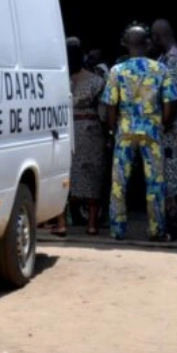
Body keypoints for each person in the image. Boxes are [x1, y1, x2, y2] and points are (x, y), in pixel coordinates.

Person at [103, 25, 177, 242]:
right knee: (155, 181)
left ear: (126, 44)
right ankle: (156, 229)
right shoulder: (160, 69)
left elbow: (111, 104)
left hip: (125, 130)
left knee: (119, 181)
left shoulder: (117, 71)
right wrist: (162, 123)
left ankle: (117, 229)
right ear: (147, 43)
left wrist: (111, 130)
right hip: (152, 129)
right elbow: (170, 101)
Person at [52, 38, 108, 236]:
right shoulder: (96, 81)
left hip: (63, 130)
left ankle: (61, 224)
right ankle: (91, 224)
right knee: (92, 174)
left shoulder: (57, 79)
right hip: (89, 132)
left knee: (62, 173)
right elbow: (103, 113)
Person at [151, 19, 177, 237]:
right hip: (168, 127)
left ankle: (176, 225)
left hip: (173, 128)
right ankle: (170, 221)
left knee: (174, 177)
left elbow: (174, 96)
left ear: (158, 37)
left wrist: (164, 123)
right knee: (168, 176)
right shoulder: (164, 58)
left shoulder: (176, 58)